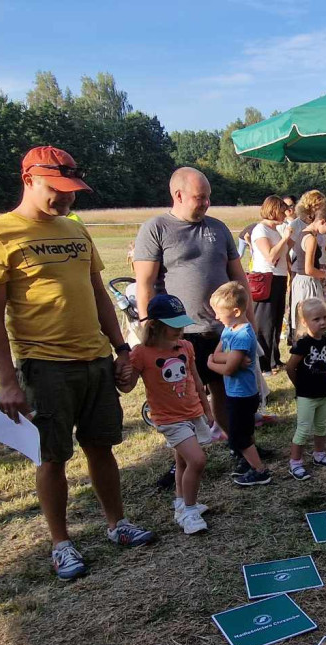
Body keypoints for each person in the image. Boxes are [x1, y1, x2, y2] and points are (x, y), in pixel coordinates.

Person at [0, 145, 155, 581]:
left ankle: (118, 524)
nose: (67, 198)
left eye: (73, 190)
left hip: (94, 360)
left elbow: (98, 294)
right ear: (28, 180)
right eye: (57, 189)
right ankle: (61, 544)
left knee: (102, 447)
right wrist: (8, 381)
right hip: (44, 365)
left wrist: (120, 349)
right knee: (51, 457)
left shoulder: (76, 229)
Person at [133, 167, 252, 441]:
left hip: (223, 329)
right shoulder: (156, 229)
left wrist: (250, 323)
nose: (207, 203)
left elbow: (239, 278)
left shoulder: (218, 228)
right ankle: (183, 456)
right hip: (179, 331)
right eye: (201, 197)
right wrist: (147, 329)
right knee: (181, 395)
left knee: (227, 389)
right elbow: (145, 284)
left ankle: (237, 444)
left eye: (208, 197)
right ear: (179, 195)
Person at [122, 294, 213, 534]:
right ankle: (190, 513)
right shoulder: (141, 353)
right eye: (173, 326)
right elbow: (127, 386)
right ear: (155, 325)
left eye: (181, 323)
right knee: (197, 460)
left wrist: (207, 407)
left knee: (183, 460)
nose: (180, 330)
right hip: (169, 418)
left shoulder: (186, 346)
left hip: (192, 412)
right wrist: (120, 365)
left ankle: (181, 504)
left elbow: (195, 377)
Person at [207, 282, 271, 486]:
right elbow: (220, 355)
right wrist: (229, 358)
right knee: (242, 432)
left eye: (219, 312)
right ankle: (250, 463)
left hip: (244, 395)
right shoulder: (229, 329)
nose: (216, 317)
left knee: (238, 438)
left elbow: (227, 368)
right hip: (235, 393)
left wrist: (210, 363)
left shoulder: (243, 335)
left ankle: (260, 471)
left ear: (236, 311)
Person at [285, 298, 326, 480]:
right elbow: (290, 367)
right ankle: (295, 462)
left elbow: (325, 364)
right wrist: (299, 385)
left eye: (325, 317)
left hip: (324, 393)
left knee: (321, 426)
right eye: (316, 319)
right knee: (303, 429)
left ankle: (319, 454)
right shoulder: (303, 344)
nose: (322, 322)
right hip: (306, 396)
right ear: (304, 322)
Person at [250, 195, 295, 371]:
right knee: (265, 323)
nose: (285, 215)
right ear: (274, 211)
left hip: (279, 277)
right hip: (266, 279)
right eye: (283, 211)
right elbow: (270, 256)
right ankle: (264, 364)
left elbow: (285, 252)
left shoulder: (276, 230)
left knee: (276, 321)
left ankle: (274, 359)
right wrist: (284, 239)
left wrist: (289, 238)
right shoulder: (260, 230)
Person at [288, 190, 326, 343]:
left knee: (305, 320)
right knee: (309, 319)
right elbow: (308, 268)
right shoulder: (310, 238)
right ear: (322, 222)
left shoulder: (305, 234)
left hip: (304, 280)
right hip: (307, 281)